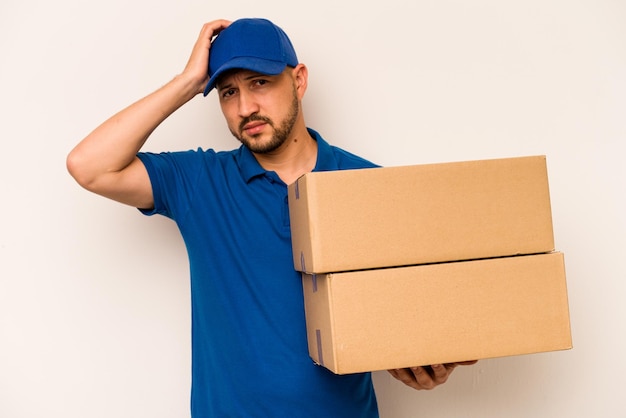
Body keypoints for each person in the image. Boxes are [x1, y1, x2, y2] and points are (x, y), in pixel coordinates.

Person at [67, 17, 475, 418]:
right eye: (228, 92)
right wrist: (189, 82)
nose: (245, 107)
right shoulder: (200, 182)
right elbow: (89, 166)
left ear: (298, 80)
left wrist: (422, 364)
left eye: (260, 82)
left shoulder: (368, 185)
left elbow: (410, 313)